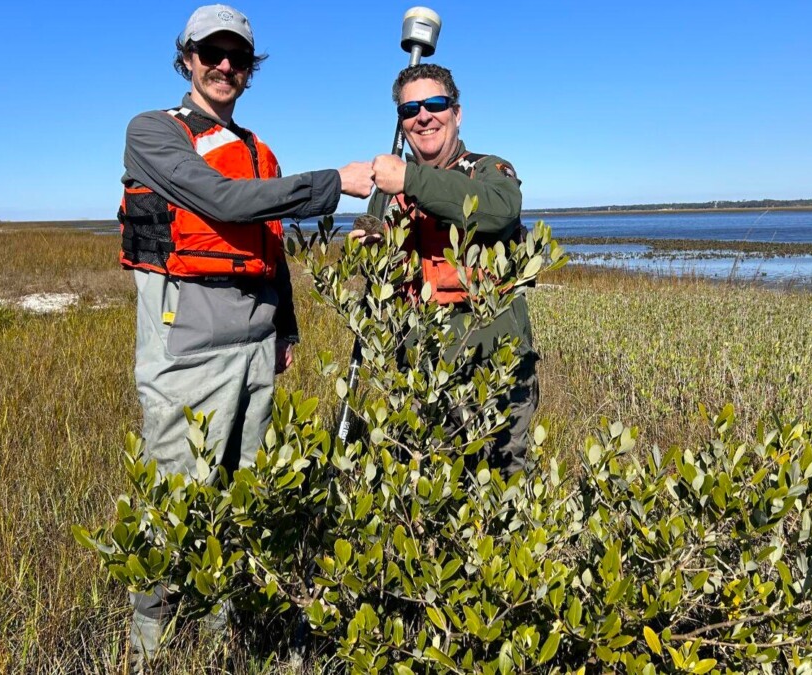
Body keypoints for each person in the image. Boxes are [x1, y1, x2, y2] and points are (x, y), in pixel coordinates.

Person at [117, 4, 373, 660]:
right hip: (187, 352)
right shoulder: (153, 131)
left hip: (257, 350)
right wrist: (335, 183)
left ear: (250, 70)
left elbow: (270, 245)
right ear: (188, 58)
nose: (225, 65)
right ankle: (145, 652)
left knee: (240, 504)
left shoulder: (260, 149)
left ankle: (216, 645)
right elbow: (221, 202)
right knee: (175, 507)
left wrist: (285, 327)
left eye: (238, 56)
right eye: (212, 53)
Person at [357, 63, 537, 476]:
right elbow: (375, 278)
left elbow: (499, 211)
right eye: (410, 110)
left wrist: (410, 178)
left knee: (500, 495)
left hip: (493, 372)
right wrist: (368, 244)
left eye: (435, 104)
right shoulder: (388, 192)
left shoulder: (490, 171)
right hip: (414, 376)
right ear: (402, 124)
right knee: (419, 491)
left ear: (457, 113)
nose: (423, 116)